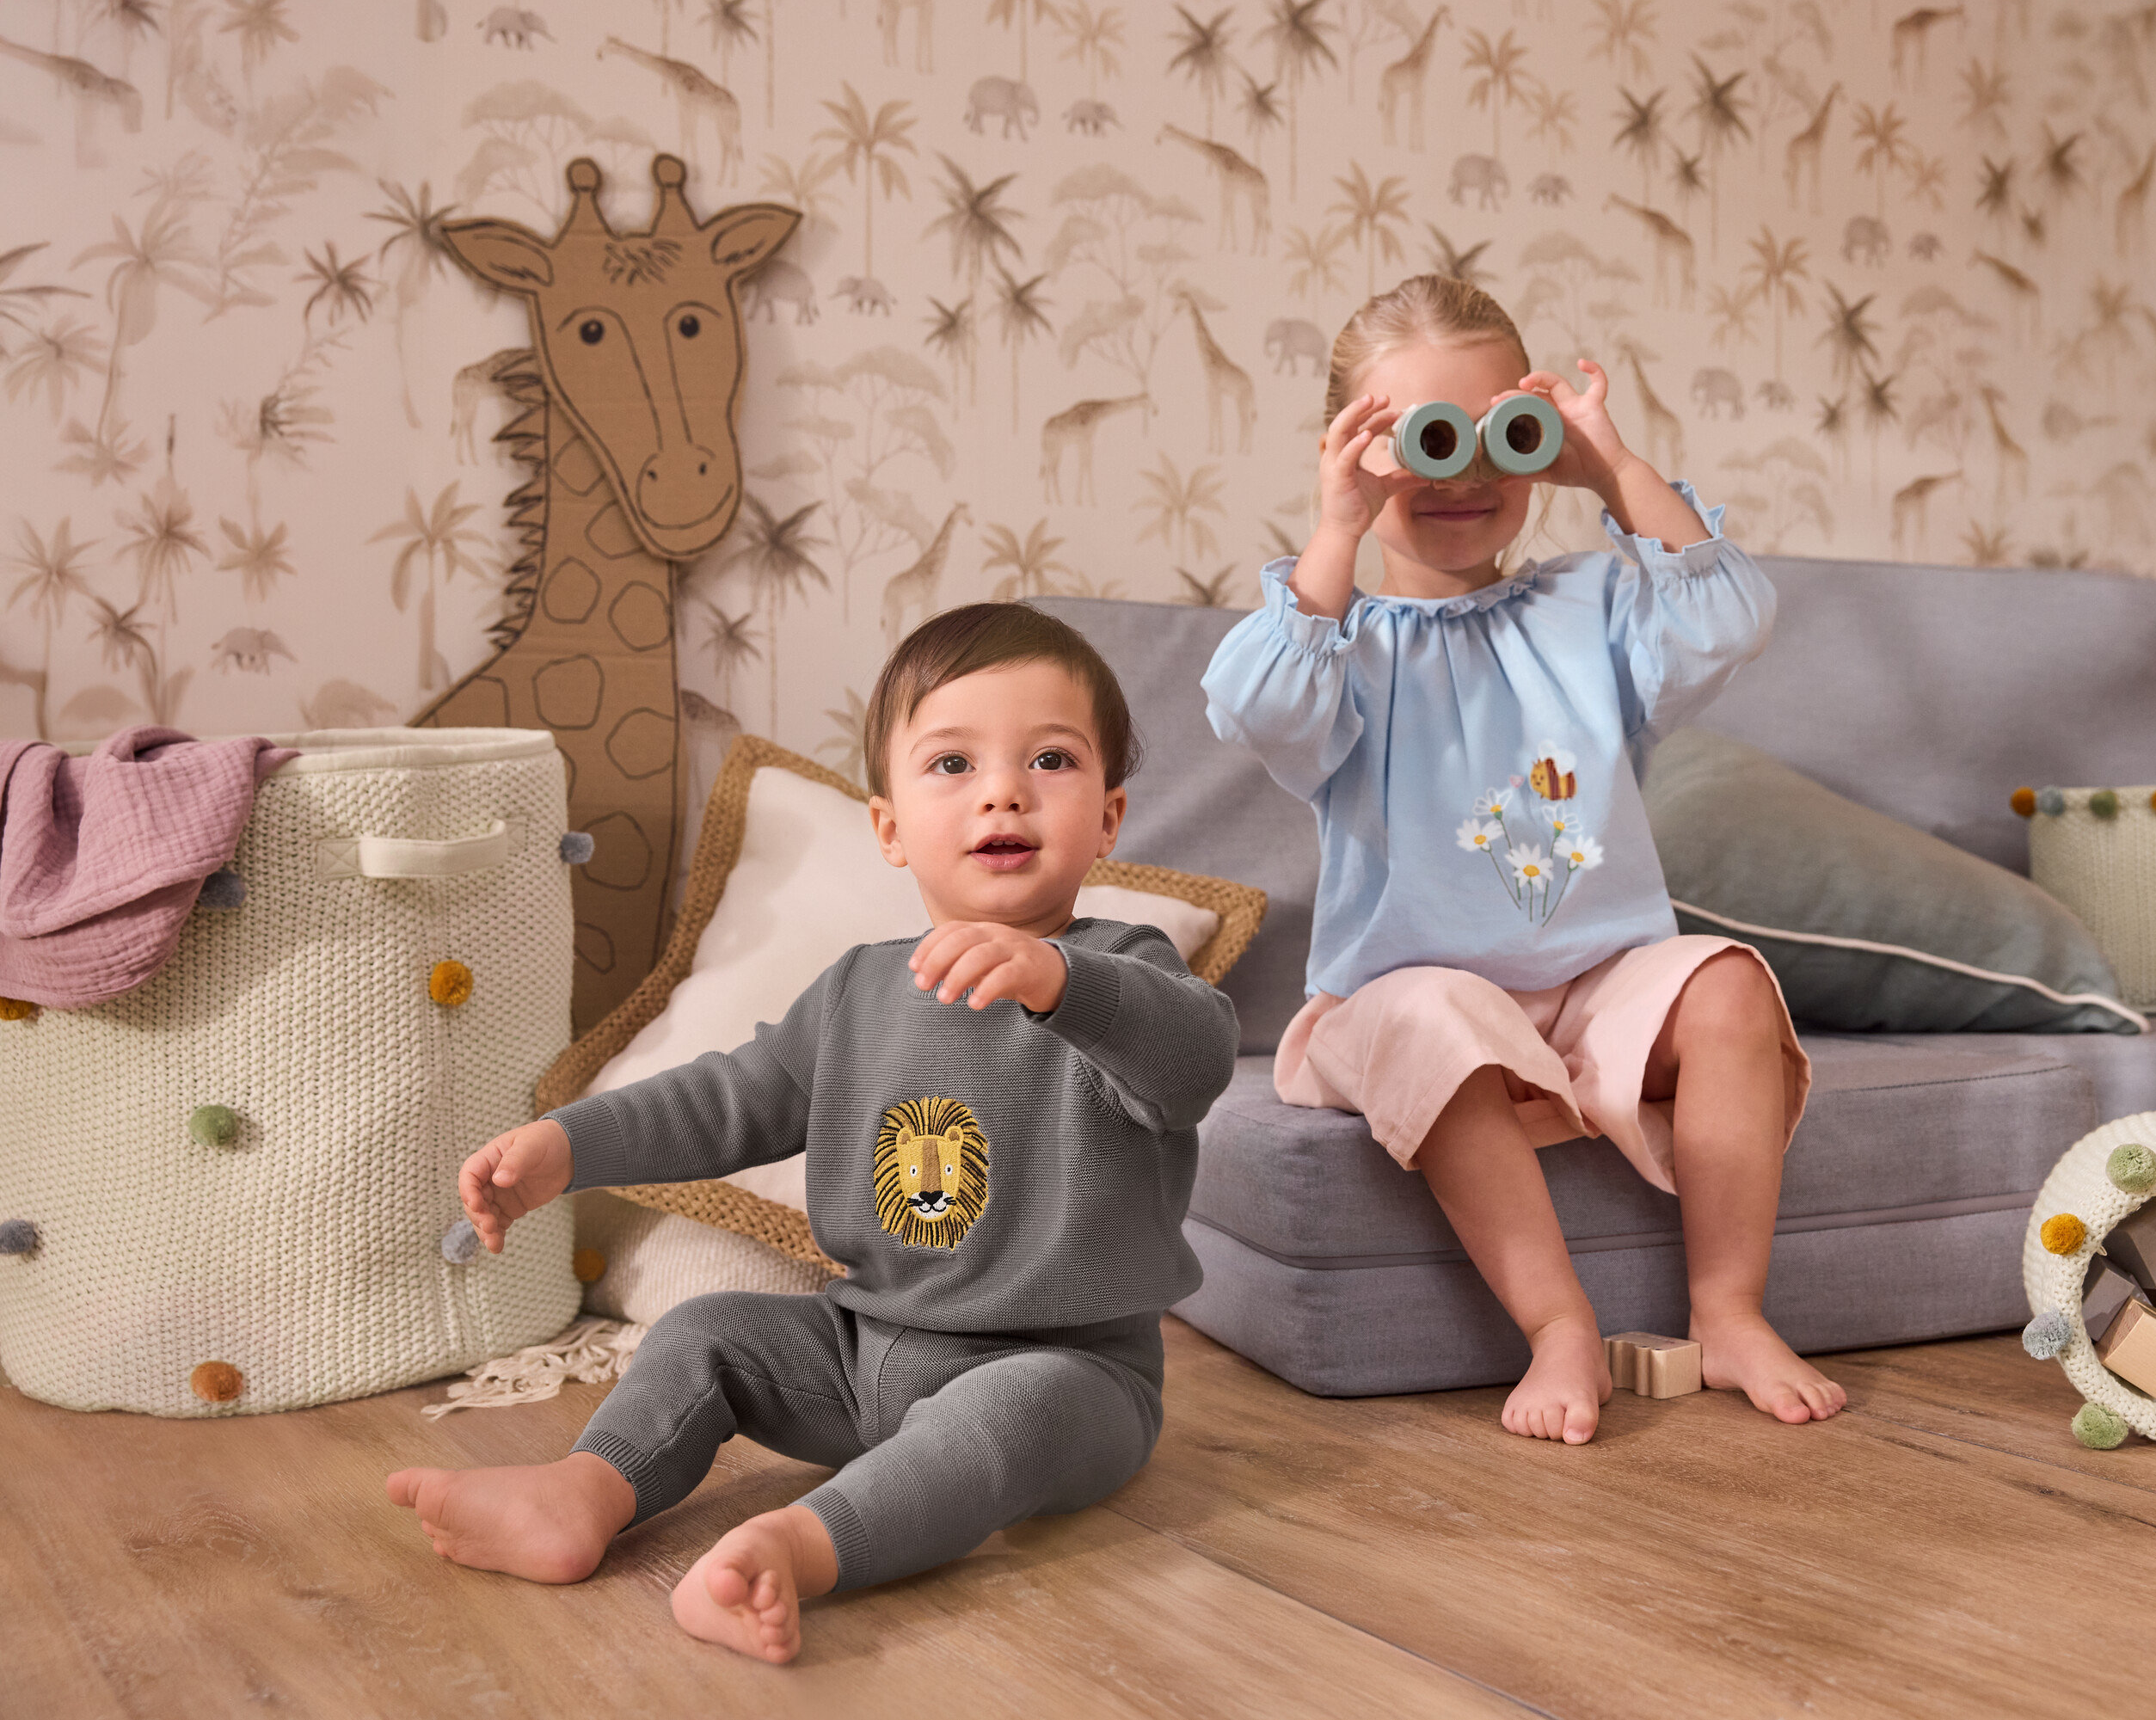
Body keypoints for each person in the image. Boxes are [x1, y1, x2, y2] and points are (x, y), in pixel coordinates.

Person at [389, 603, 1238, 1662]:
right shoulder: (856, 995)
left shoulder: (1125, 970)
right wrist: (567, 1146)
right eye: (952, 763)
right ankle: (584, 1492)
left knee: (1000, 1422)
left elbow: (1194, 1060)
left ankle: (798, 1545)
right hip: (860, 1351)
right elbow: (720, 1101)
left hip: (1070, 1373)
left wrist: (1064, 983)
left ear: (1107, 819)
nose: (1003, 790)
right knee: (703, 1334)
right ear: (887, 828)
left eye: (1051, 760)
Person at [1204, 274, 1841, 1445]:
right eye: (1421, 442)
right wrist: (1338, 526)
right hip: (1407, 995)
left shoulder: (1589, 612)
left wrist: (1611, 468)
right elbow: (1255, 705)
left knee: (1733, 981)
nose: (1463, 475)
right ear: (1358, 454)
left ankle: (1730, 1308)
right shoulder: (1341, 649)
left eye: (1500, 434)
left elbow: (1729, 616)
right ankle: (1556, 1325)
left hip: (1592, 988)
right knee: (1441, 1014)